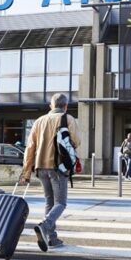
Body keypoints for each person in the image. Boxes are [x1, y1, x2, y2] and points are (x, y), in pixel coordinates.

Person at [20, 93, 81, 251]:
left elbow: (30, 147)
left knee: (50, 202)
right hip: (58, 167)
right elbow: (76, 141)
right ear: (65, 106)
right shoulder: (68, 119)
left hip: (40, 167)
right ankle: (45, 226)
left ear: (51, 106)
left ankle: (51, 239)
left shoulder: (39, 121)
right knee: (61, 203)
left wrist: (26, 172)